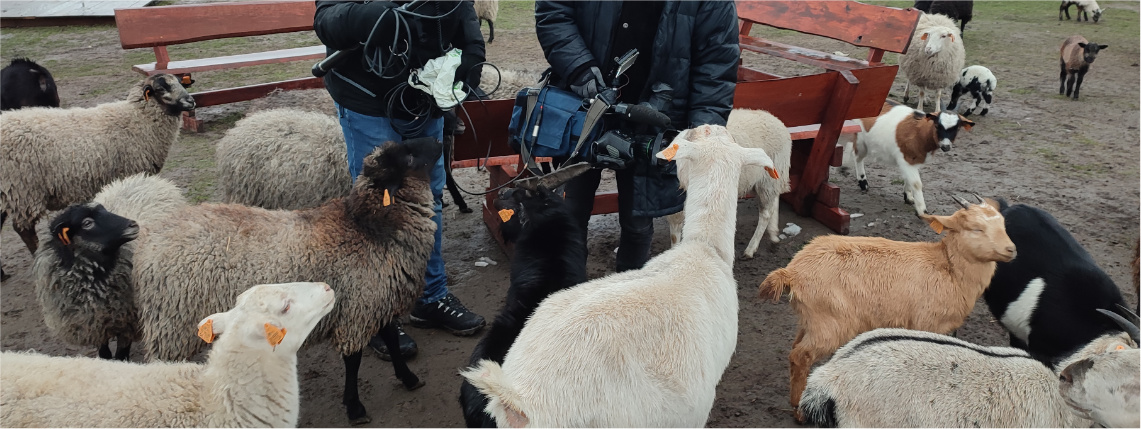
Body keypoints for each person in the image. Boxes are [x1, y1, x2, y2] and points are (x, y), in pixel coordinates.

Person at [314, 0, 487, 361]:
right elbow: (327, 19)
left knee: (429, 199)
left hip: (425, 95)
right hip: (365, 97)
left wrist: (471, 45)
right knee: (376, 206)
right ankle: (376, 314)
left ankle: (431, 297)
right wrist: (370, 15)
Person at [534, 1, 740, 272]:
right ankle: (564, 291)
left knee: (638, 222)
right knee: (570, 211)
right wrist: (578, 68)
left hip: (655, 120)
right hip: (585, 106)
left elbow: (716, 65)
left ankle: (629, 301)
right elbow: (554, 10)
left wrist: (702, 134)